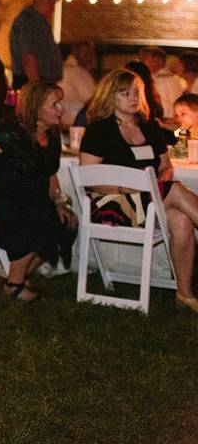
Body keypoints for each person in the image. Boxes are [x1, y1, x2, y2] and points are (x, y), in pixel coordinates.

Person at [79, 69, 198, 314]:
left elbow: (166, 167)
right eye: (125, 93)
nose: (133, 98)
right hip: (112, 204)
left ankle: (185, 294)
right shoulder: (99, 130)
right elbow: (90, 178)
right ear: (111, 96)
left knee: (182, 219)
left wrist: (159, 180)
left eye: (137, 92)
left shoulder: (149, 127)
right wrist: (137, 188)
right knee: (174, 191)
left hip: (152, 200)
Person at [0, 82, 77, 301]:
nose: (61, 109)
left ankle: (19, 275)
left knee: (65, 220)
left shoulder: (51, 135)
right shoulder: (12, 132)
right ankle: (14, 284)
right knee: (40, 215)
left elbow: (50, 173)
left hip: (28, 197)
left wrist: (60, 202)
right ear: (36, 109)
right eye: (54, 105)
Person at [9, 0, 63, 89]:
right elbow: (28, 56)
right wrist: (36, 87)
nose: (52, 7)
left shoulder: (40, 23)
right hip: (31, 81)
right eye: (50, 2)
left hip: (40, 81)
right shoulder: (28, 22)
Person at [139, 45, 187, 122]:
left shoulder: (159, 81)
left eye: (143, 59)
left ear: (156, 61)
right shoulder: (177, 79)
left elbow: (166, 109)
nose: (140, 62)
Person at [59, 40, 96, 127]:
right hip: (75, 124)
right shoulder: (75, 71)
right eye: (86, 51)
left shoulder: (65, 69)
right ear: (76, 50)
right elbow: (91, 98)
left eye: (91, 52)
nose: (90, 55)